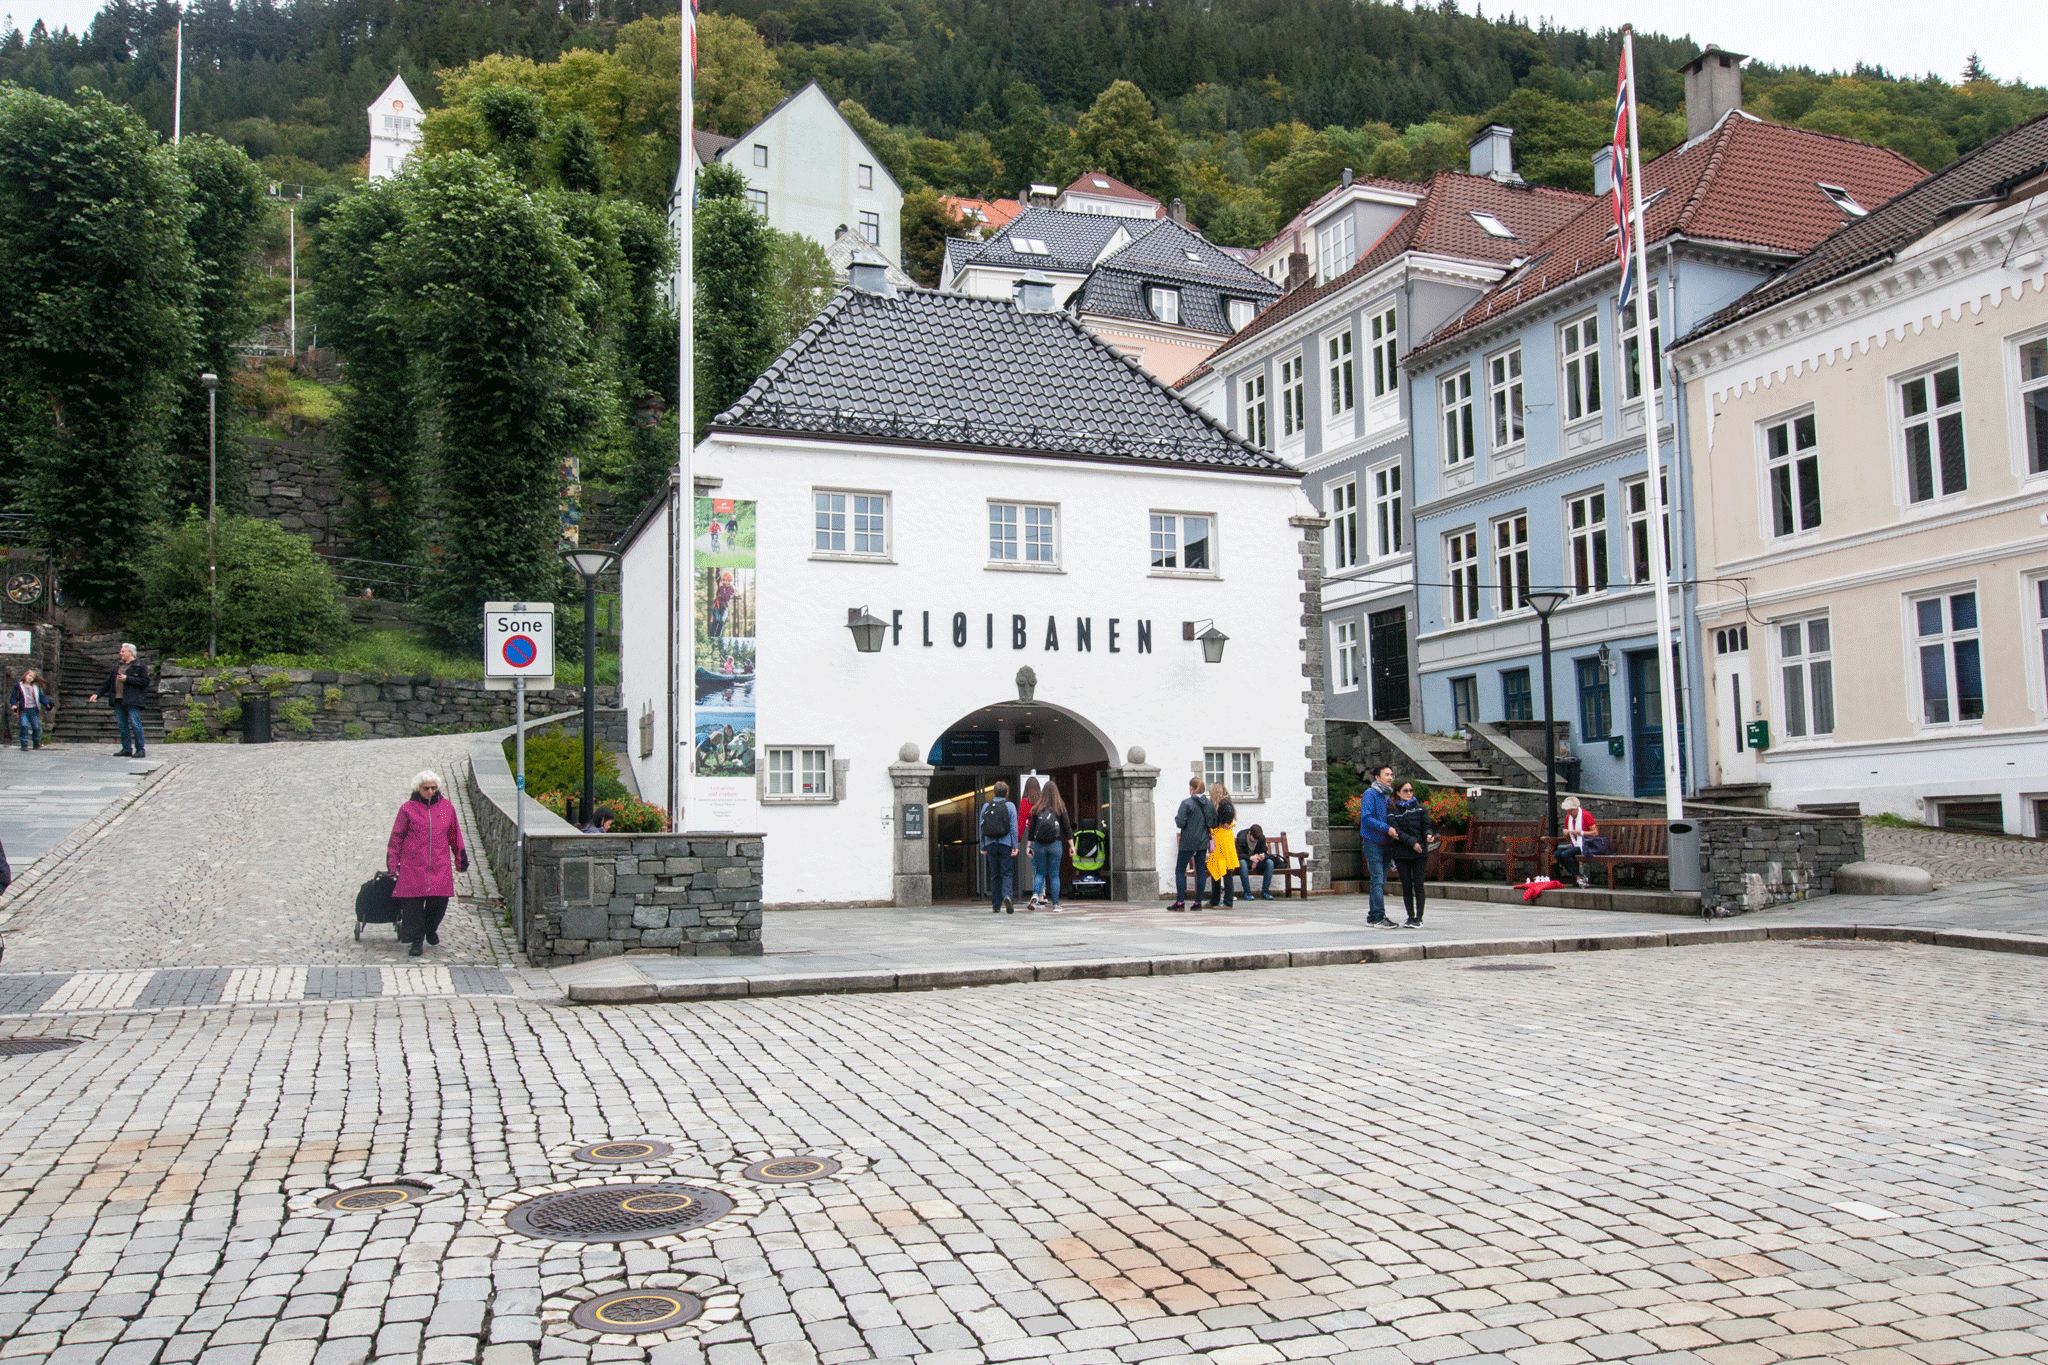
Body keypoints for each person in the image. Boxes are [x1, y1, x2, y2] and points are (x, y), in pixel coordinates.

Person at [387, 770, 468, 957]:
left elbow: (455, 834)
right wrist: (393, 864)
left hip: (439, 865)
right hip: (413, 866)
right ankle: (417, 940)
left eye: (433, 788)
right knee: (412, 905)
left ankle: (430, 929)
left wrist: (460, 858)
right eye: (426, 788)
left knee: (439, 901)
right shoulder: (407, 809)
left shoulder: (447, 808)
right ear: (418, 789)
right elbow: (396, 838)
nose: (430, 791)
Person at [87, 643, 151, 758]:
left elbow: (145, 682)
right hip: (118, 699)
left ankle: (140, 749)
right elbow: (108, 682)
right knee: (122, 725)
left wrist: (128, 679)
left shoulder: (139, 666)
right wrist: (97, 694)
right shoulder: (118, 667)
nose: (120, 653)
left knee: (135, 724)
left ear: (129, 652)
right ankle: (126, 748)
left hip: (132, 700)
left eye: (122, 651)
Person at [1387, 781, 1433, 927]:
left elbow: (1426, 826)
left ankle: (1419, 917)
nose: (1409, 793)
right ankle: (1410, 916)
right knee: (1406, 885)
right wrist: (1412, 843)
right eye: (1405, 790)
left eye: (1411, 790)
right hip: (1402, 852)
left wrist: (1428, 835)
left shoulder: (1420, 809)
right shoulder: (1392, 810)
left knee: (1419, 884)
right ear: (1398, 793)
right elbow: (1396, 831)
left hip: (1420, 852)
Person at [1358, 763, 1397, 925]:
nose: (1390, 778)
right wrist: (1386, 828)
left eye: (1391, 775)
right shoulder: (1371, 794)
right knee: (1377, 881)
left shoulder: (1387, 796)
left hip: (1386, 844)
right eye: (1386, 774)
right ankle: (1379, 917)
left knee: (1380, 882)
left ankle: (1373, 916)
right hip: (1373, 842)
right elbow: (1366, 818)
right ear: (1377, 777)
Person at [1170, 776, 1213, 911]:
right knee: (1200, 871)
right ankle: (1198, 902)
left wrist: (1178, 818)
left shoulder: (1187, 803)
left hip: (1188, 841)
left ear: (1192, 788)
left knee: (1180, 871)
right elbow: (1213, 822)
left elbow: (1180, 822)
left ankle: (1180, 902)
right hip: (1202, 841)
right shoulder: (1209, 804)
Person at [1027, 781, 1072, 909]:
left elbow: (1031, 829)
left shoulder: (1037, 807)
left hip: (1039, 845)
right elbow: (1067, 828)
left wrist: (1028, 846)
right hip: (1055, 844)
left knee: (1040, 873)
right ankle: (1056, 905)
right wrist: (1071, 846)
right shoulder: (1060, 807)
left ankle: (1035, 894)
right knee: (1054, 875)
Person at [978, 779, 1019, 914]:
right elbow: (1013, 827)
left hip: (990, 844)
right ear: (1006, 792)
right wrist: (1015, 845)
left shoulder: (986, 806)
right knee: (1006, 872)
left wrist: (983, 845)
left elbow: (981, 826)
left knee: (995, 875)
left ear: (994, 792)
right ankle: (1007, 895)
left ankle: (996, 905)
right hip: (1005, 843)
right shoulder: (1010, 806)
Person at [1205, 782, 1240, 907]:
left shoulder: (1224, 804)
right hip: (1221, 839)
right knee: (1217, 869)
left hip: (1222, 840)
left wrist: (1221, 823)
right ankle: (1216, 900)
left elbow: (1226, 817)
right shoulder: (1225, 802)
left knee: (1224, 871)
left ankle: (1226, 901)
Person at [1554, 795, 1600, 887]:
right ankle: (1578, 876)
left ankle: (1578, 878)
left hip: (1586, 844)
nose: (1568, 812)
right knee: (1557, 853)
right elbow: (1567, 831)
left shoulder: (1586, 815)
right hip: (1575, 844)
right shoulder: (1569, 817)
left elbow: (1595, 833)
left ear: (1576, 808)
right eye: (1567, 810)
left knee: (1565, 854)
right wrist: (1565, 832)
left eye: (1570, 810)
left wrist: (1581, 832)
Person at [1236, 823, 1278, 900]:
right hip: (1246, 861)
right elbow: (1238, 854)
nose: (1255, 841)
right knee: (1242, 863)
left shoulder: (1261, 838)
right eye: (1254, 839)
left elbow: (1264, 851)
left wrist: (1263, 856)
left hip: (1257, 861)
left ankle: (1265, 892)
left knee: (1270, 863)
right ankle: (1247, 892)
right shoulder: (1241, 838)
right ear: (1249, 833)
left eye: (1257, 840)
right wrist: (1250, 857)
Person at [11, 670, 50, 751]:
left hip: (34, 710)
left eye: (32, 677)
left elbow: (41, 698)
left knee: (36, 727)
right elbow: (14, 696)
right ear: (25, 675)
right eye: (29, 676)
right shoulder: (18, 686)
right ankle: (24, 744)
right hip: (23, 709)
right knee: (24, 726)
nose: (30, 678)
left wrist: (47, 704)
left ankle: (36, 743)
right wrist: (13, 704)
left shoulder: (35, 687)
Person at [1017, 776, 1040, 906]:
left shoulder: (1025, 802)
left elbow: (1021, 822)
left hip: (1033, 837)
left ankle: (1036, 894)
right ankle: (1042, 897)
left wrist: (1018, 840)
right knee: (1045, 868)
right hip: (1047, 837)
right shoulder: (1043, 801)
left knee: (1036, 868)